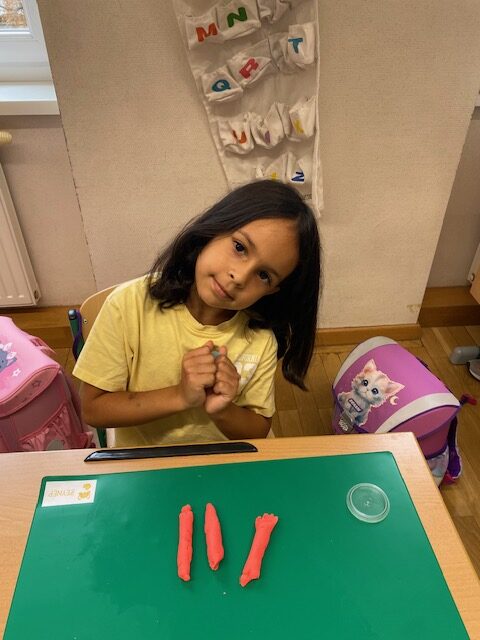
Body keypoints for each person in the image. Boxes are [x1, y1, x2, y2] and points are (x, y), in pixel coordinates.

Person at [73, 179, 322, 446]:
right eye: (239, 247)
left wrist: (223, 410)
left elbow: (258, 429)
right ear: (214, 228)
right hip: (144, 461)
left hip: (222, 461)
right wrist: (180, 396)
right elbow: (93, 409)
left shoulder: (260, 339)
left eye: (263, 275)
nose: (239, 277)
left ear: (272, 291)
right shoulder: (128, 304)